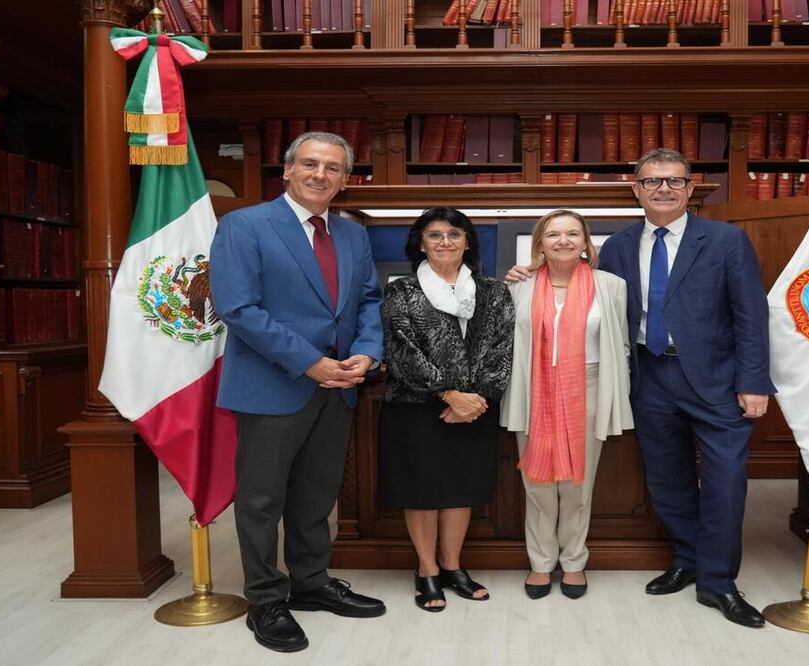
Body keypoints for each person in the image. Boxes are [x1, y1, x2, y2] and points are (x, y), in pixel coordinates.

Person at [507, 148, 774, 627]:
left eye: (674, 180)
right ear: (637, 190)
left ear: (691, 188)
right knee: (667, 481)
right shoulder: (622, 246)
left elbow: (752, 315)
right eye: (652, 182)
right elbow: (593, 301)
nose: (664, 189)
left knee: (724, 484)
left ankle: (718, 583)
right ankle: (687, 560)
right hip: (649, 377)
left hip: (717, 382)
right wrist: (527, 274)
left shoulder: (726, 240)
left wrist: (754, 381)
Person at [210, 132, 386, 653]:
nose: (320, 175)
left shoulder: (351, 235)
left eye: (333, 169)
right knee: (262, 501)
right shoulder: (243, 226)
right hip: (274, 385)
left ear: (345, 180)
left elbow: (370, 300)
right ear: (286, 170)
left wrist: (368, 353)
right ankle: (265, 598)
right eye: (309, 164)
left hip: (339, 388)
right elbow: (239, 309)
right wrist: (310, 363)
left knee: (316, 495)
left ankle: (310, 582)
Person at [378, 207, 514, 612]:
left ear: (468, 241)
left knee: (461, 489)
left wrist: (477, 398)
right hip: (417, 408)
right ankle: (426, 570)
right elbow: (402, 351)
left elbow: (502, 348)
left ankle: (453, 567)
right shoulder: (400, 291)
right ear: (420, 243)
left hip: (476, 409)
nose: (445, 242)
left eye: (454, 234)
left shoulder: (493, 291)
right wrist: (448, 394)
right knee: (422, 492)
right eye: (434, 235)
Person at [499, 209, 633, 601]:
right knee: (537, 484)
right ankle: (541, 563)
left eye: (572, 233)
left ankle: (574, 562)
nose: (563, 240)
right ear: (540, 242)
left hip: (588, 389)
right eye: (553, 233)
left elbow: (622, 345)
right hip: (532, 389)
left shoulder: (611, 286)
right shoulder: (518, 286)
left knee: (578, 484)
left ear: (586, 242)